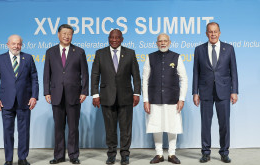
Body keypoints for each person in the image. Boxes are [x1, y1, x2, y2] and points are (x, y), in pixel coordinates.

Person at [91, 29, 141, 165]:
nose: (114, 40)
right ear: (108, 38)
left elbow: (136, 76)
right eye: (111, 37)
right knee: (110, 128)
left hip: (126, 97)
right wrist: (95, 94)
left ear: (122, 39)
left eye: (117, 38)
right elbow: (95, 75)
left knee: (126, 129)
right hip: (106, 97)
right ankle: (111, 154)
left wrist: (136, 93)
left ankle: (125, 154)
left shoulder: (130, 53)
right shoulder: (100, 53)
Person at [192, 22, 238, 163]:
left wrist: (234, 91)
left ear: (219, 33)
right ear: (206, 33)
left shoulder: (229, 49)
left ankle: (224, 152)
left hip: (223, 91)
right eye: (210, 32)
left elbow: (234, 72)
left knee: (224, 123)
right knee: (205, 124)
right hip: (205, 91)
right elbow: (196, 72)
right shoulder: (199, 49)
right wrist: (195, 92)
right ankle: (205, 152)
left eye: (215, 31)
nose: (213, 34)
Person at [43, 24, 89, 164]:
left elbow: (85, 74)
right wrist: (46, 92)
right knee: (58, 127)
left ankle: (73, 156)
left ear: (72, 35)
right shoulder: (50, 52)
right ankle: (58, 156)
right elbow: (47, 74)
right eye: (64, 33)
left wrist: (84, 91)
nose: (66, 36)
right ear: (58, 34)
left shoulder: (79, 51)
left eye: (69, 34)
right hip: (56, 94)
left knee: (73, 127)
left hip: (74, 95)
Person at [0, 34, 39, 165]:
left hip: (25, 101)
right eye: (13, 43)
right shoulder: (0, 59)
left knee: (24, 131)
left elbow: (34, 78)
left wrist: (34, 96)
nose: (16, 46)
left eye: (18, 44)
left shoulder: (28, 58)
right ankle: (8, 159)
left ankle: (22, 158)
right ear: (7, 44)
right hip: (6, 102)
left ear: (21, 45)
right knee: (8, 132)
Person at [143, 33, 188, 164]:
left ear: (169, 42)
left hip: (172, 98)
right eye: (160, 41)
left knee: (172, 126)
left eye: (165, 41)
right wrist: (146, 99)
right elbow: (145, 79)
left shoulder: (177, 57)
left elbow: (184, 79)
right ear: (157, 43)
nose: (163, 43)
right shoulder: (150, 57)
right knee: (156, 126)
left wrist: (182, 98)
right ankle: (159, 154)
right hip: (154, 98)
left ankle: (172, 154)